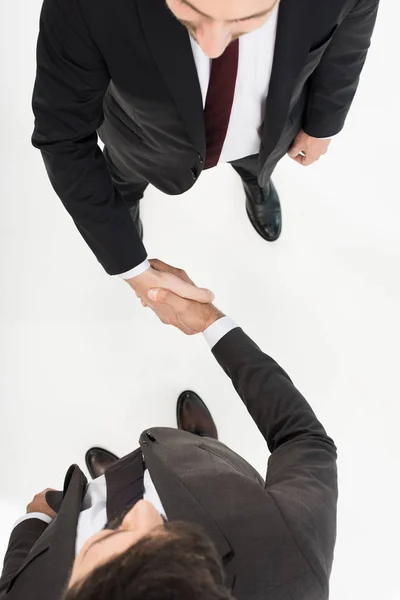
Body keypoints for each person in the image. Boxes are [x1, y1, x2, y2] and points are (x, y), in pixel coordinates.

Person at [0, 262, 338, 600]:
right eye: (167, 531)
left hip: (85, 500)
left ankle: (142, 466)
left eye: (110, 534)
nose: (142, 508)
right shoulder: (292, 562)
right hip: (207, 474)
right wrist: (209, 321)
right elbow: (301, 437)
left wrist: (34, 521)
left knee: (123, 483)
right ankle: (201, 444)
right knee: (186, 460)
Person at [31, 0, 380, 325]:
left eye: (245, 21)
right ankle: (126, 205)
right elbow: (64, 135)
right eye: (189, 7)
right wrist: (130, 264)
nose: (212, 48)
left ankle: (255, 183)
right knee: (122, 179)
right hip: (142, 138)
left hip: (264, 133)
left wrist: (324, 122)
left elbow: (351, 31)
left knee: (254, 165)